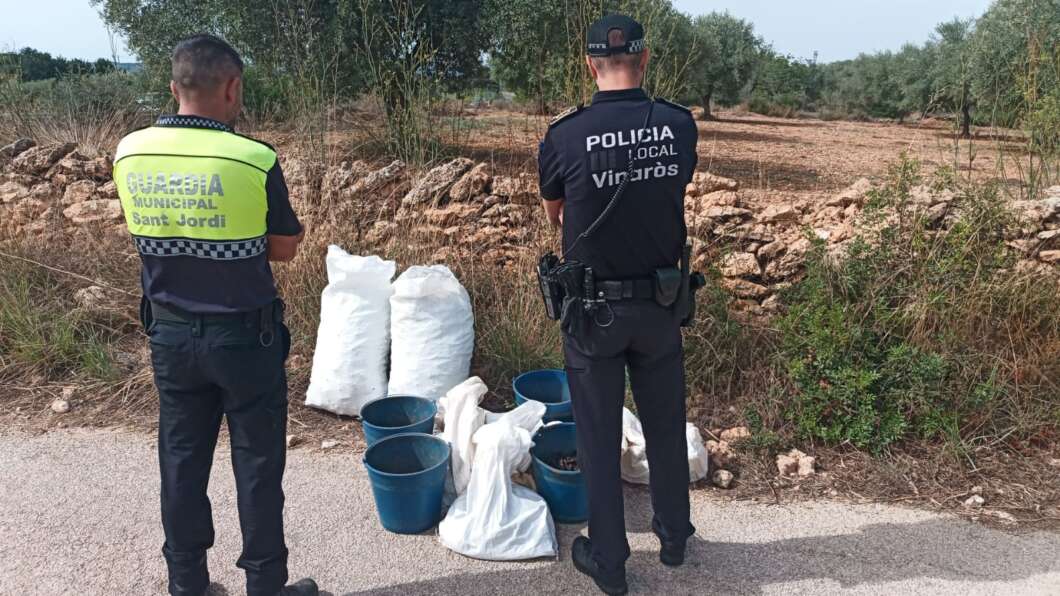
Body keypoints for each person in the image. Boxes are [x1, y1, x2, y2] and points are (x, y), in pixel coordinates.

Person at [112, 34, 317, 596]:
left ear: (173, 87)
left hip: (170, 333)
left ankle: (187, 584)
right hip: (245, 337)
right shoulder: (253, 157)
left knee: (181, 460)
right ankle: (265, 586)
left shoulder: (129, 151)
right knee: (257, 465)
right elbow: (284, 247)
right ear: (232, 87)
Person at [536, 14, 699, 596]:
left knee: (598, 435)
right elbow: (674, 186)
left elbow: (556, 212)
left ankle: (608, 561)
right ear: (645, 58)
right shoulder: (678, 125)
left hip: (593, 314)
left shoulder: (564, 135)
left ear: (590, 65)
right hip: (660, 304)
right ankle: (674, 537)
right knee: (665, 424)